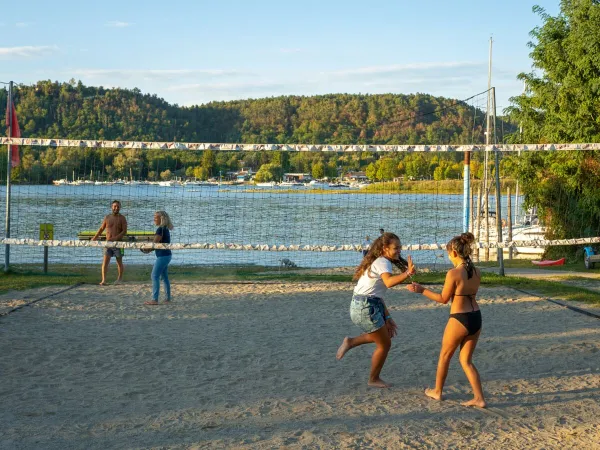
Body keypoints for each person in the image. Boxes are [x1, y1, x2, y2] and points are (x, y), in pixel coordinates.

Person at [406, 232, 486, 408]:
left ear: (454, 253)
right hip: (476, 317)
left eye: (449, 253)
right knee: (466, 361)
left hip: (459, 318)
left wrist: (421, 290)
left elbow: (443, 298)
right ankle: (479, 398)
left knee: (444, 356)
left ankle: (437, 391)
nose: (449, 257)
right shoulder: (477, 272)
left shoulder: (454, 273)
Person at [336, 232, 416, 388]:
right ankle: (373, 379)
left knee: (383, 338)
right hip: (365, 307)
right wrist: (407, 273)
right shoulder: (383, 262)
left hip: (365, 305)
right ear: (385, 248)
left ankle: (350, 342)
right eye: (396, 248)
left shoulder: (380, 261)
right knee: (384, 344)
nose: (399, 250)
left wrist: (388, 318)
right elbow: (388, 283)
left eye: (400, 247)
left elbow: (376, 295)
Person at [92, 200, 128, 286]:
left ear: (120, 207)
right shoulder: (107, 217)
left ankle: (119, 279)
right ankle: (103, 280)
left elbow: (124, 231)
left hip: (119, 244)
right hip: (108, 244)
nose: (116, 208)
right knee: (105, 262)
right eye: (115, 206)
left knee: (119, 262)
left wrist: (115, 238)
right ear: (111, 207)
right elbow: (101, 229)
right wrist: (95, 238)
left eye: (118, 206)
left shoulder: (122, 218)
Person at [143, 211, 174, 305]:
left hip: (163, 256)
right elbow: (157, 245)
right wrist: (148, 249)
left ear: (161, 219)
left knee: (154, 276)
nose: (154, 219)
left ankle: (154, 299)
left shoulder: (160, 229)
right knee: (164, 277)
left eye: (156, 217)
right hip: (167, 255)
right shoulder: (165, 229)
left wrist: (146, 249)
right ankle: (167, 298)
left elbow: (154, 244)